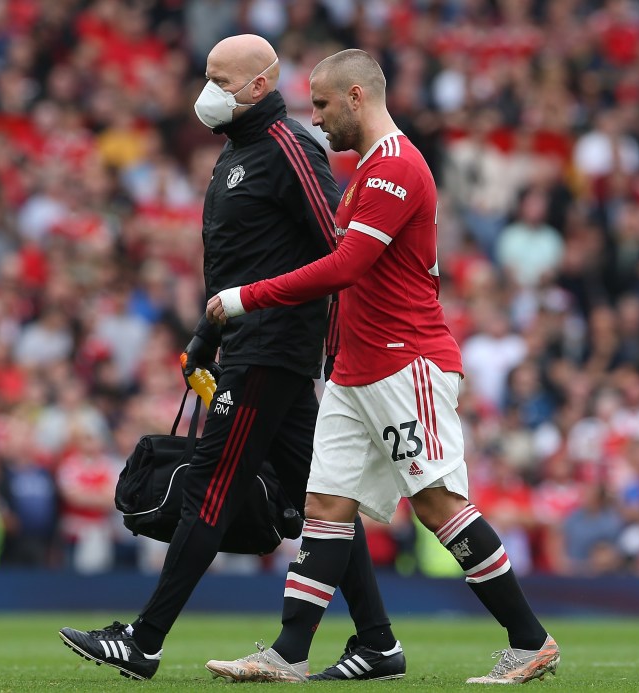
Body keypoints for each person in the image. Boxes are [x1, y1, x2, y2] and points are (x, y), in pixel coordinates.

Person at [204, 49, 561, 686]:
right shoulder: (370, 168)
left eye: (320, 105)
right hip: (354, 370)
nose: (315, 119)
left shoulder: (396, 168)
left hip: (406, 361)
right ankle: (288, 653)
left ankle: (530, 639)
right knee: (324, 505)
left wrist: (245, 296)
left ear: (356, 99)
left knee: (436, 503)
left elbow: (345, 269)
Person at [57, 35, 401, 681]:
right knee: (319, 501)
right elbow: (236, 267)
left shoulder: (290, 147)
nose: (208, 89)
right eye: (207, 76)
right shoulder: (239, 153)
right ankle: (378, 643)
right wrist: (205, 338)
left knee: (211, 487)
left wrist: (297, 331)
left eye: (221, 78)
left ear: (259, 84)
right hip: (255, 344)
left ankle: (145, 639)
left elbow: (337, 246)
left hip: (272, 347)